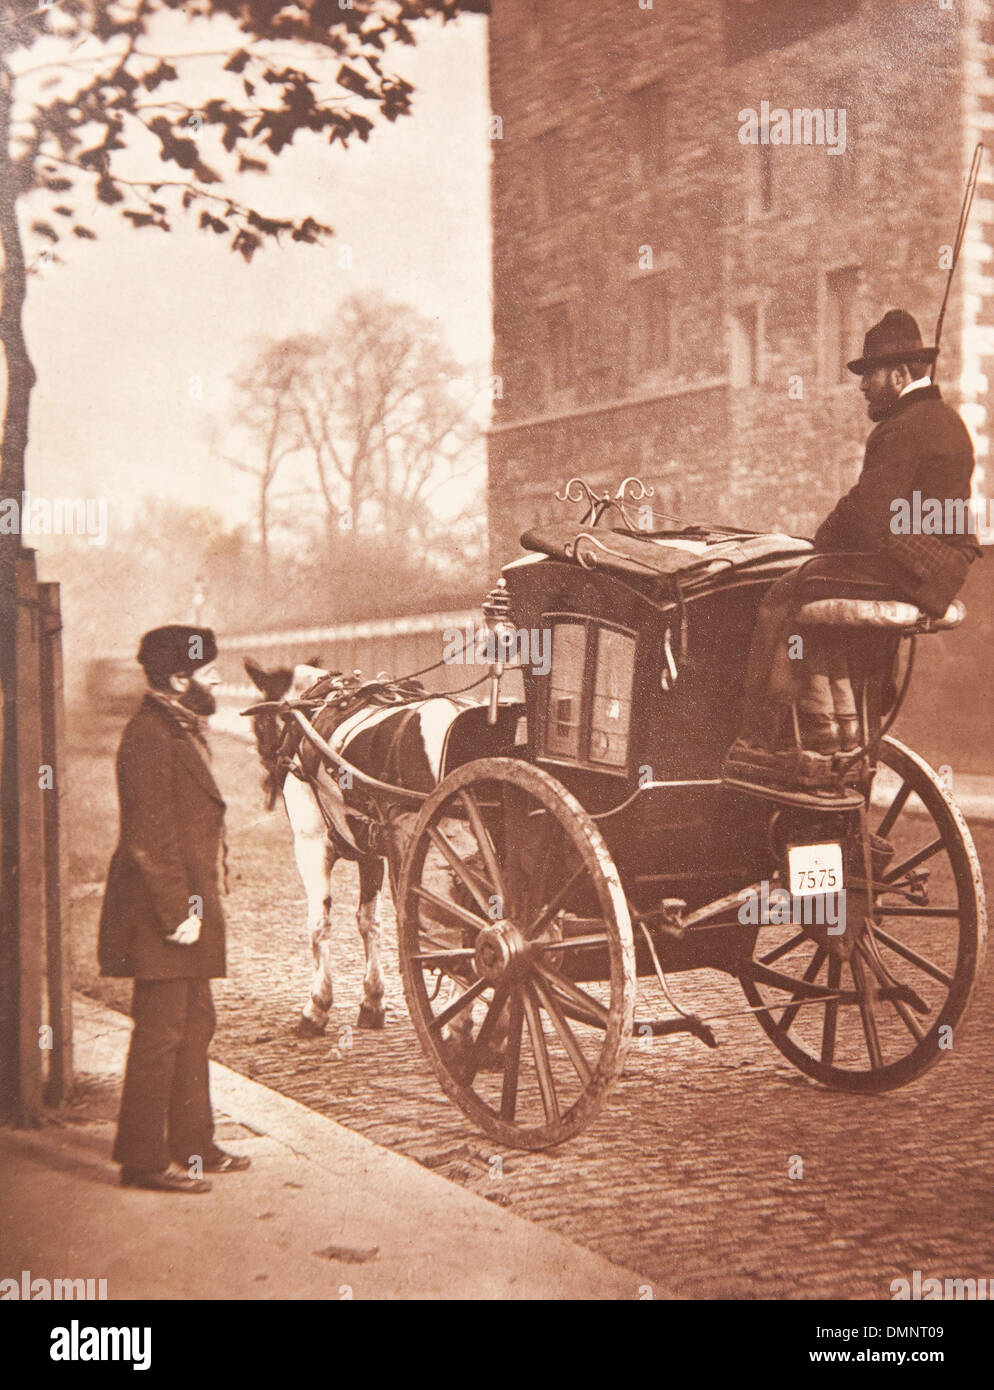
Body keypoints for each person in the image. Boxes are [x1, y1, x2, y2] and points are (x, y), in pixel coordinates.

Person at [728, 309, 980, 768]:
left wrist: (819, 542)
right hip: (942, 566)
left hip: (910, 566)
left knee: (784, 591)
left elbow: (868, 516)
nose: (863, 386)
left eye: (871, 375)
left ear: (899, 375)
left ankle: (762, 733)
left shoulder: (901, 429)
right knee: (822, 593)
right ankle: (845, 716)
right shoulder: (949, 423)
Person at [98, 624, 250, 1194]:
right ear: (178, 679)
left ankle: (193, 1144)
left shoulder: (176, 727)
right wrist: (177, 913)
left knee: (194, 1025)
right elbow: (149, 835)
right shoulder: (149, 736)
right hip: (162, 913)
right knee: (161, 1032)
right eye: (208, 671)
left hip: (184, 909)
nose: (217, 679)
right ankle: (141, 1161)